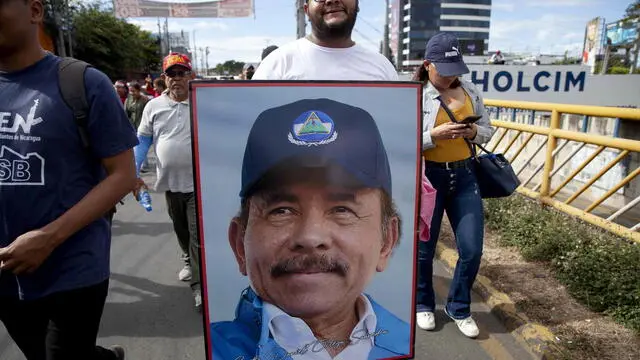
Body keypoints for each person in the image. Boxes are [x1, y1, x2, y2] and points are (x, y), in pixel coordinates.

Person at [211, 98, 410, 360]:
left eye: (342, 210)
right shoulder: (216, 350)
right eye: (280, 211)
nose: (310, 237)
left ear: (387, 241)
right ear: (239, 245)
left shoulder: (406, 345)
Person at [0, 0, 139, 358]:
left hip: (73, 267)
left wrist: (48, 238)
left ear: (34, 11)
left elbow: (123, 175)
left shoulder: (83, 82)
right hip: (6, 271)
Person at [413, 32, 496, 338]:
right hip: (427, 177)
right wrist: (434, 136)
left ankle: (458, 306)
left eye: (455, 71)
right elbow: (402, 140)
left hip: (465, 176)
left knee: (472, 249)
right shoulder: (414, 94)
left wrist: (472, 131)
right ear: (427, 65)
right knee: (424, 249)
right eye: (444, 71)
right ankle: (423, 303)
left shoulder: (471, 91)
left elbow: (488, 131)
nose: (451, 78)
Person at [133, 52, 202, 310]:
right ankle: (187, 261)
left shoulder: (201, 102)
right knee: (181, 229)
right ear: (164, 79)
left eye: (181, 73)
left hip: (198, 185)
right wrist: (134, 173)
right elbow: (142, 142)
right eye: (171, 74)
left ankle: (198, 287)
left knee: (196, 237)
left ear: (190, 76)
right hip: (170, 183)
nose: (177, 79)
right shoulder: (153, 106)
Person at [252, 0, 397, 81]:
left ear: (357, 3)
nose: (331, 0)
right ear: (307, 10)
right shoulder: (277, 64)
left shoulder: (382, 67)